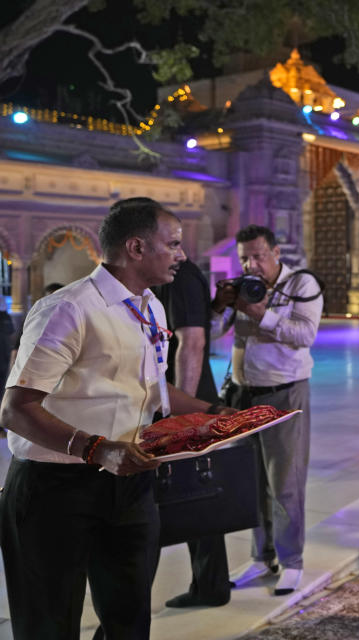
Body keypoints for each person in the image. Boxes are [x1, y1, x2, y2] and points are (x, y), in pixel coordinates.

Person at [0, 197, 230, 639]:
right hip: (55, 489)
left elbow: (156, 392)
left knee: (128, 621)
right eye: (174, 244)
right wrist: (96, 449)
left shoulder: (150, 307)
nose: (182, 255)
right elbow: (16, 409)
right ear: (136, 247)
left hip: (130, 487)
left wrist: (218, 414)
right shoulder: (69, 309)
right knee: (48, 625)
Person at [214, 225, 323, 596]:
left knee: (285, 483)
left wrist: (261, 314)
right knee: (251, 481)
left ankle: (291, 561)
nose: (251, 263)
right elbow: (213, 332)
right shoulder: (244, 286)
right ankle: (261, 557)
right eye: (245, 257)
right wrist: (220, 304)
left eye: (258, 255)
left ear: (277, 252)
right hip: (243, 396)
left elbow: (305, 334)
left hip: (284, 394)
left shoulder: (302, 285)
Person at [154, 258, 234, 607]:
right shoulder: (178, 276)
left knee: (196, 496)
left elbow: (193, 342)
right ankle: (210, 584)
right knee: (195, 496)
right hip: (186, 399)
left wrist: (182, 412)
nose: (175, 250)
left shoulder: (180, 275)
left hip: (188, 402)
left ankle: (211, 585)